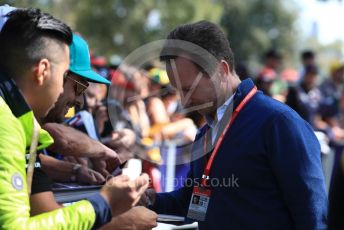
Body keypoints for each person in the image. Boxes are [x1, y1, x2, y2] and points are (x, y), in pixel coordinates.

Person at [140, 20, 327, 229]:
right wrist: (149, 200)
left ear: (221, 70)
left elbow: (313, 217)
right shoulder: (206, 133)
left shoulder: (279, 123)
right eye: (177, 90)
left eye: (188, 88)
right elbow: (194, 206)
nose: (183, 101)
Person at [0, 8, 149, 229]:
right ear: (42, 70)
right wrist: (105, 205)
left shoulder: (17, 120)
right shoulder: (6, 122)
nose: (66, 93)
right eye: (65, 78)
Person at [32, 33, 158, 229]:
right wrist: (118, 216)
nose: (80, 101)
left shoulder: (23, 124)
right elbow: (43, 221)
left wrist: (77, 170)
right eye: (79, 87)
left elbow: (38, 161)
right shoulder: (10, 120)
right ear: (44, 72)